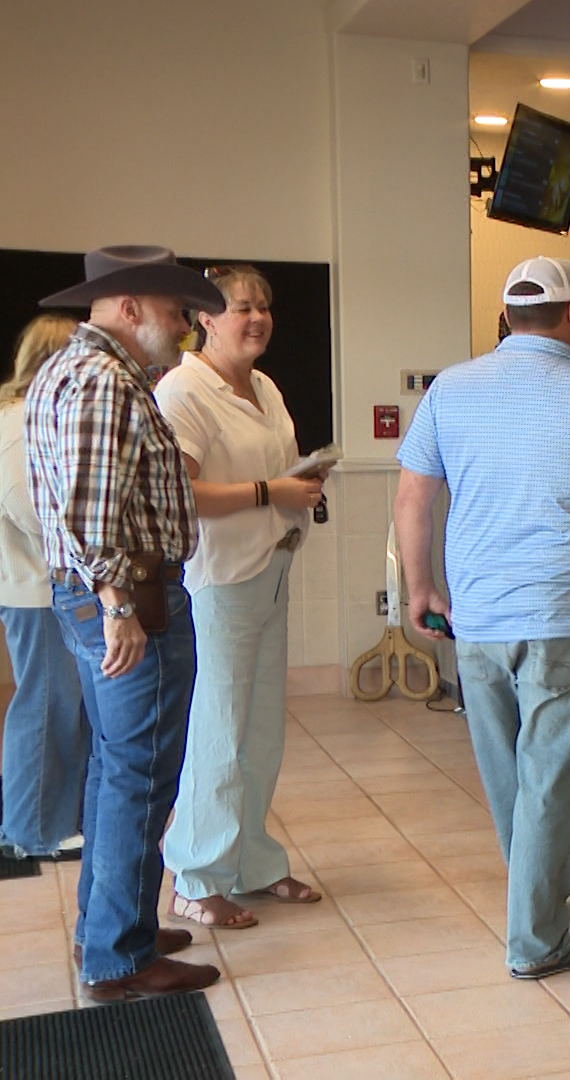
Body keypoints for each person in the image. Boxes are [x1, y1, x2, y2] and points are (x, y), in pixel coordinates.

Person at [396, 256, 570, 979]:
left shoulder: (449, 392)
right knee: (552, 777)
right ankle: (536, 940)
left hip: (478, 620)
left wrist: (418, 588)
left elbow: (412, 500)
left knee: (508, 772)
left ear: (505, 320)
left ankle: (541, 892)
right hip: (561, 617)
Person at [27, 246, 227, 1000]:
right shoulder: (103, 381)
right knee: (139, 776)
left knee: (118, 771)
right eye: (179, 313)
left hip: (116, 595)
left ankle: (112, 927)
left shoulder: (74, 371)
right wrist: (118, 607)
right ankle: (118, 956)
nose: (186, 327)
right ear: (131, 306)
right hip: (130, 597)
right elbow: (89, 513)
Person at [153, 265, 325, 929]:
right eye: (241, 308)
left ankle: (251, 862)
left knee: (260, 732)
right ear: (206, 317)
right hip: (220, 579)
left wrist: (299, 482)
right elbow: (180, 490)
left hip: (271, 568)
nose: (256, 318)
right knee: (219, 733)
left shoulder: (264, 386)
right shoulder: (183, 390)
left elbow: (276, 469)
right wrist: (268, 493)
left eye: (264, 307)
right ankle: (195, 877)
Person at [0, 314, 89, 863]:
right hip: (36, 589)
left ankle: (52, 817)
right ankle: (33, 829)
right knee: (46, 707)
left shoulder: (32, 415)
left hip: (45, 585)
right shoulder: (16, 425)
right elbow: (31, 509)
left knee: (62, 707)